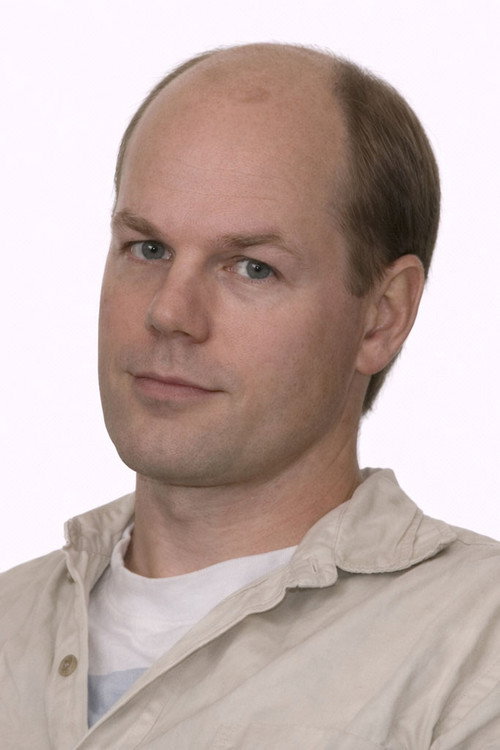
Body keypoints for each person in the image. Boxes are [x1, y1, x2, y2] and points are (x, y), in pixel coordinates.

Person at [1, 42, 499, 749]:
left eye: (252, 268)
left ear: (381, 317)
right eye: (148, 248)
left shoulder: (475, 652)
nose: (169, 312)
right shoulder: (9, 625)